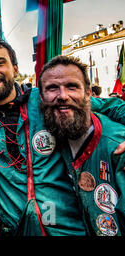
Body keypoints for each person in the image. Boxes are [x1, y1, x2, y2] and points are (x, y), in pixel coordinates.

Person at [0, 36, 125, 236]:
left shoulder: (46, 99)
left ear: (15, 69)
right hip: (16, 230)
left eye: (0, 63)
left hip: (67, 229)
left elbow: (113, 106)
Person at [38, 55, 125, 236]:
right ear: (41, 97)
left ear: (88, 93)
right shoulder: (47, 137)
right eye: (52, 88)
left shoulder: (118, 147)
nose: (62, 96)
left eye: (72, 87)